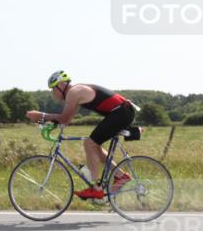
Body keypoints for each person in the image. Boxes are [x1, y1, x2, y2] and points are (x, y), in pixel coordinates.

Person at [25, 70, 134, 199]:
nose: (52, 93)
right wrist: (44, 121)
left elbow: (64, 119)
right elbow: (67, 120)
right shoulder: (75, 93)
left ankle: (96, 188)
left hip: (121, 112)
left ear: (61, 86)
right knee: (94, 145)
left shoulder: (73, 92)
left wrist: (41, 115)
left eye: (53, 89)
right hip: (121, 112)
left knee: (90, 143)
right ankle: (121, 177)